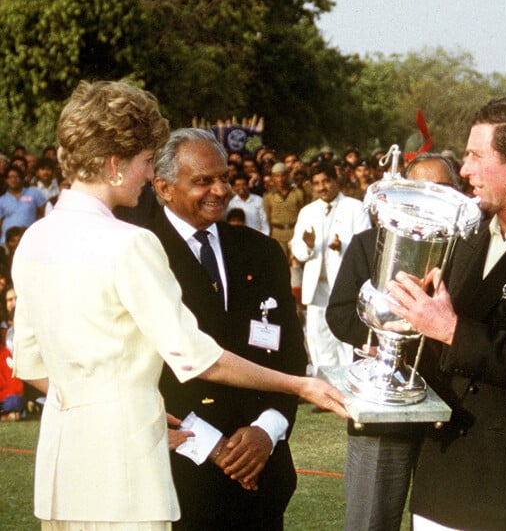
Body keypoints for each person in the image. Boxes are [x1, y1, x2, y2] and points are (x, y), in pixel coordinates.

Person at [10, 79, 350, 531]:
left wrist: (112, 410)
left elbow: (32, 366)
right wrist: (300, 387)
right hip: (129, 476)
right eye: (147, 162)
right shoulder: (131, 242)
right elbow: (196, 357)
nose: (149, 177)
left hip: (65, 471)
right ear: (115, 164)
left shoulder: (35, 238)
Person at [384, 96, 506, 530]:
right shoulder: (466, 237)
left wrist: (451, 329)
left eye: (475, 156)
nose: (465, 170)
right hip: (437, 481)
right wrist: (402, 327)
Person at [148, 128, 308, 529]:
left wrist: (266, 429)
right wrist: (213, 446)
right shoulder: (141, 253)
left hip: (261, 476)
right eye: (203, 181)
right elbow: (141, 366)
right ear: (164, 188)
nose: (221, 190)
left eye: (223, 177)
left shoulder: (260, 251)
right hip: (180, 474)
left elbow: (289, 355)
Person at [326, 152, 461, 531]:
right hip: (384, 409)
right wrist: (386, 341)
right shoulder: (369, 243)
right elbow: (339, 313)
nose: (433, 199)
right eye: (423, 190)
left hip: (449, 415)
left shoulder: (469, 250)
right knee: (371, 521)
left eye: (444, 189)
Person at [290, 162, 371, 382]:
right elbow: (296, 247)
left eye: (326, 181)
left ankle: (348, 385)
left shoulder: (355, 207)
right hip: (317, 286)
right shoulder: (308, 211)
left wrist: (342, 246)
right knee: (318, 336)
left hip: (344, 285)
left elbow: (365, 245)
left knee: (344, 336)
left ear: (336, 180)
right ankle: (325, 386)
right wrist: (307, 245)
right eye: (316, 183)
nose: (322, 187)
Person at [263, 162, 306, 262]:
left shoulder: (298, 193)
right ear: (273, 178)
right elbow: (267, 217)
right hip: (277, 234)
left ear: (287, 175)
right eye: (277, 176)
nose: (280, 179)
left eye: (283, 175)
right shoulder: (269, 196)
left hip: (294, 232)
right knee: (280, 263)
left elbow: (303, 213)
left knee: (296, 262)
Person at [0, 164, 46, 244]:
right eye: (10, 177)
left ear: (22, 178)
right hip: (7, 242)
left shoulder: (34, 193)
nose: (14, 179)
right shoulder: (1, 200)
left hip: (29, 239)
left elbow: (43, 213)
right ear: (6, 180)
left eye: (16, 176)